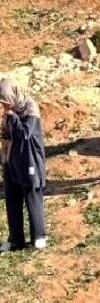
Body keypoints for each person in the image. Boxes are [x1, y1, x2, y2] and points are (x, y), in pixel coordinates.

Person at [0, 79, 47, 252]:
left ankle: (39, 236)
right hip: (11, 159)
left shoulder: (30, 108)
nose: (4, 105)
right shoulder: (8, 113)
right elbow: (7, 135)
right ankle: (16, 239)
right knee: (12, 199)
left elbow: (25, 134)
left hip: (29, 159)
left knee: (31, 195)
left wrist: (12, 116)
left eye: (5, 100)